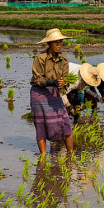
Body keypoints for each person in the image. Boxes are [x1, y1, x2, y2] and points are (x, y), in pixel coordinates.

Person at [30, 28, 74, 156]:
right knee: (41, 125)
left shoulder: (64, 59)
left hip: (55, 93)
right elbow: (37, 79)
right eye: (56, 42)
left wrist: (64, 84)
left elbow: (65, 80)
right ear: (49, 43)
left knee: (65, 122)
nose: (59, 45)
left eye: (60, 42)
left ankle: (71, 154)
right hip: (39, 94)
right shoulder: (40, 58)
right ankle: (43, 157)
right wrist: (51, 82)